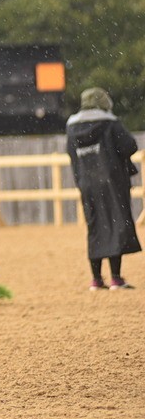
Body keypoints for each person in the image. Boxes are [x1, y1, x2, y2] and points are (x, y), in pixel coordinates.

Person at [65, 87, 141, 290]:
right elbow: (129, 146)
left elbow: (72, 155)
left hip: (88, 184)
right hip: (112, 181)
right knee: (115, 225)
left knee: (95, 226)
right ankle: (116, 278)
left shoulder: (72, 127)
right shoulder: (110, 123)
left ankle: (96, 279)